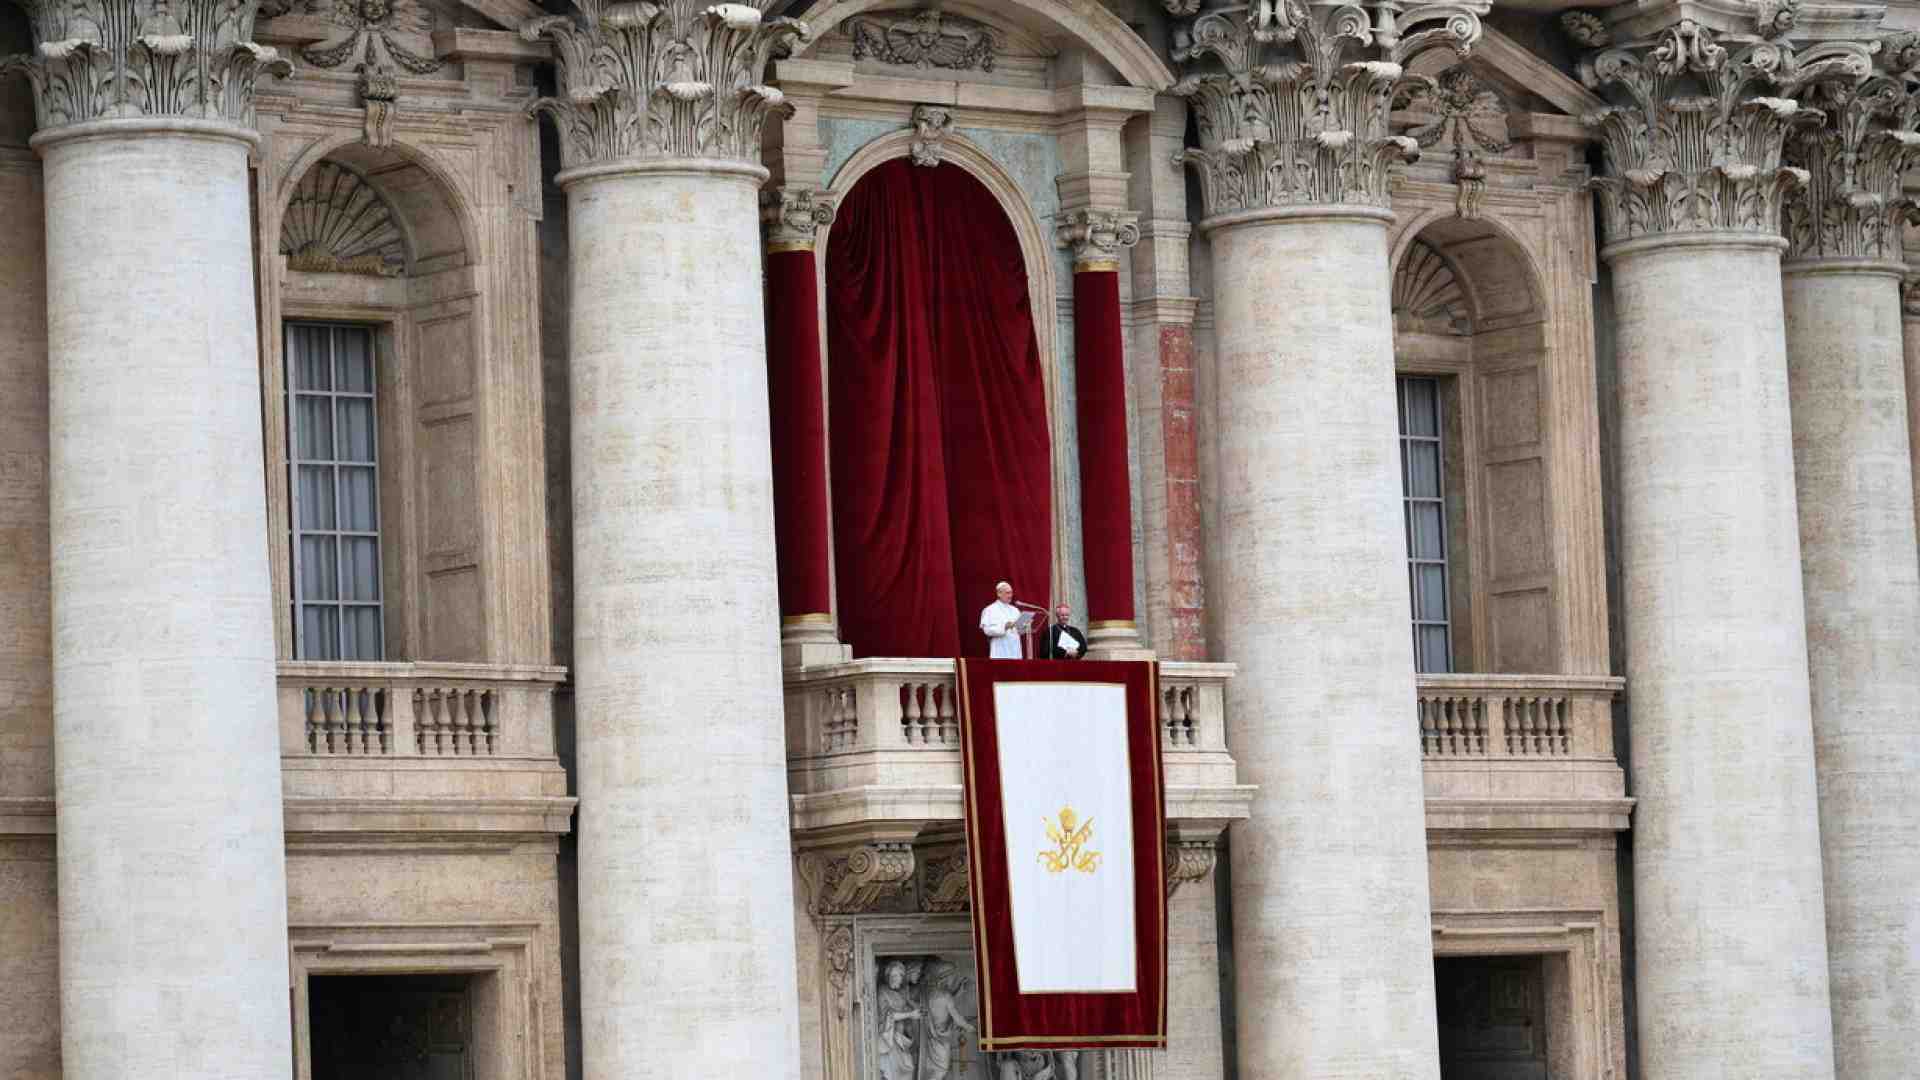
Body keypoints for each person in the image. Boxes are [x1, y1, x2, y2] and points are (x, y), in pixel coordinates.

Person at [916, 960, 977, 1080]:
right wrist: (971, 1028)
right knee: (941, 1069)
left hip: (931, 1038)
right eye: (951, 977)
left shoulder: (930, 994)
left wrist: (958, 991)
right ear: (944, 978)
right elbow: (957, 1018)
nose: (952, 980)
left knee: (935, 1070)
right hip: (941, 1039)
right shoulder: (946, 996)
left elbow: (944, 1006)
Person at [876, 959, 922, 1080]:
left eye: (898, 975)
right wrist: (910, 1014)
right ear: (887, 976)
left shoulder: (901, 993)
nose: (895, 978)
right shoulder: (882, 991)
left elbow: (906, 1006)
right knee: (893, 1073)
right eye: (892, 975)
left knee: (908, 1068)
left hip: (902, 1039)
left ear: (902, 978)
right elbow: (888, 1015)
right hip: (889, 1039)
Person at [979, 581, 1024, 659]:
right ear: (999, 594)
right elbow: (987, 631)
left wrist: (1025, 626)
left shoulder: (1015, 610)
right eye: (1007, 593)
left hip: (1015, 652)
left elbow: (1020, 631)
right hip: (1000, 652)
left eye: (1011, 593)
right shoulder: (990, 610)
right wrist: (1004, 627)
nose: (1010, 595)